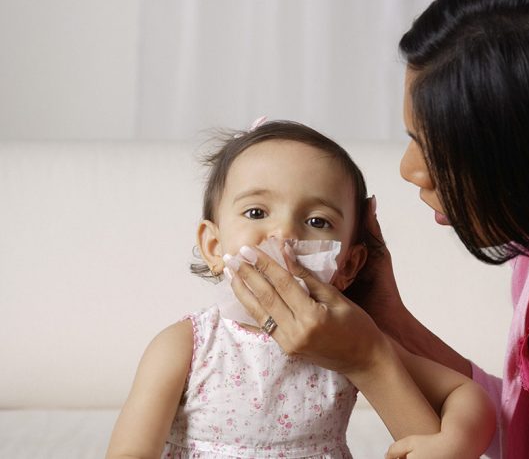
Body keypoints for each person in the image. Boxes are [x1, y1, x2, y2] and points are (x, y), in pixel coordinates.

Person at [225, 0, 529, 458]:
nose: (409, 169)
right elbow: (528, 435)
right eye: (413, 138)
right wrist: (386, 321)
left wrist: (370, 362)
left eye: (441, 152)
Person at [106, 119, 495, 458]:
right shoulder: (186, 346)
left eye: (318, 221)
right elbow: (130, 450)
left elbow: (463, 393)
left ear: (349, 265)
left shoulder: (349, 342)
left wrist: (457, 440)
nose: (285, 233)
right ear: (213, 246)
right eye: (257, 212)